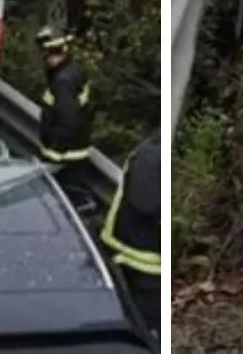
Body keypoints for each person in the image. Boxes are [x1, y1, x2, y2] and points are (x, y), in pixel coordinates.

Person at [101, 132, 161, 336]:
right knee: (145, 320)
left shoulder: (153, 152)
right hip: (138, 254)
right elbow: (145, 203)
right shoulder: (151, 156)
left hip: (142, 251)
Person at [36, 26, 94, 200]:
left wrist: (54, 152)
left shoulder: (62, 81)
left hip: (65, 156)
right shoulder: (75, 70)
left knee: (61, 202)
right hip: (77, 149)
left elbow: (67, 121)